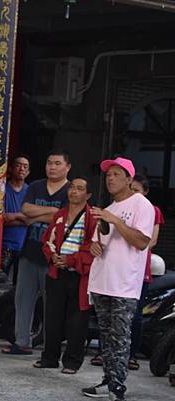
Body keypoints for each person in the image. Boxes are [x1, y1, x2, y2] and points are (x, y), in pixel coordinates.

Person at [82, 157, 154, 401]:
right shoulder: (108, 209)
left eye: (115, 174)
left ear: (129, 179)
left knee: (120, 337)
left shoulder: (141, 204)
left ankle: (117, 387)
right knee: (106, 337)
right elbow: (97, 242)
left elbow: (141, 241)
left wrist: (117, 222)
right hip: (102, 280)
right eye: (108, 175)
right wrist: (94, 248)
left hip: (124, 284)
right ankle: (108, 381)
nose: (110, 179)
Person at [2, 150, 71, 355]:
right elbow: (26, 210)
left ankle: (51, 346)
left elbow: (66, 218)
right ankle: (21, 341)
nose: (52, 167)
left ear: (67, 167)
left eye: (58, 163)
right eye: (50, 163)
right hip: (30, 250)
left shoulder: (70, 190)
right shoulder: (36, 186)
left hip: (55, 256)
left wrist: (36, 216)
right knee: (23, 298)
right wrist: (52, 213)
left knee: (53, 303)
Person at [35, 177, 96, 374]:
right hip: (57, 272)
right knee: (52, 317)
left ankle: (72, 361)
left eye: (80, 189)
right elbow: (47, 241)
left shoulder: (93, 218)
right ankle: (49, 357)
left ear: (87, 195)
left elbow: (93, 249)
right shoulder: (60, 215)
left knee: (77, 320)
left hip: (79, 275)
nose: (74, 191)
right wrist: (53, 257)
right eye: (72, 187)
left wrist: (70, 260)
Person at [128, 174, 164, 371]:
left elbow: (152, 240)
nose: (133, 194)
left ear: (146, 192)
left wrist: (131, 247)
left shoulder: (152, 210)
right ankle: (104, 352)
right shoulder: (119, 207)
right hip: (120, 270)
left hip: (140, 269)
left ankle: (132, 355)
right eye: (130, 190)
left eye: (137, 190)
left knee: (135, 315)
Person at [1, 155, 30, 282]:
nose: (22, 169)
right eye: (18, 165)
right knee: (0, 281)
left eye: (25, 167)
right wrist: (22, 218)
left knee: (20, 284)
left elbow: (32, 220)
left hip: (24, 247)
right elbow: (1, 219)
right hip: (5, 245)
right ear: (11, 168)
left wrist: (14, 215)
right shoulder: (2, 190)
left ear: (28, 172)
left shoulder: (31, 191)